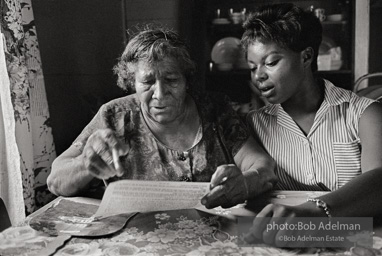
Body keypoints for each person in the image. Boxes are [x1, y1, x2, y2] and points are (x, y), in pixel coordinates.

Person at [47, 26, 277, 208]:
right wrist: (86, 165)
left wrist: (245, 184)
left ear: (187, 80)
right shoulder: (113, 116)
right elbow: (56, 181)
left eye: (171, 80)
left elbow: (263, 167)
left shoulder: (215, 109)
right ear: (131, 83)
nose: (159, 94)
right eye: (147, 82)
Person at [241, 3, 382, 245]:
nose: (258, 76)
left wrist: (313, 213)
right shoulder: (254, 125)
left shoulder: (365, 115)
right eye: (253, 67)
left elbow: (380, 182)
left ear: (306, 56)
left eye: (271, 62)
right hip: (282, 246)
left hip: (359, 244)